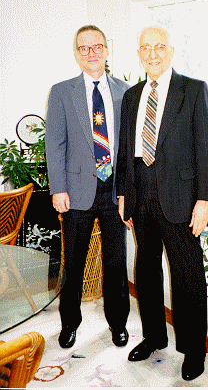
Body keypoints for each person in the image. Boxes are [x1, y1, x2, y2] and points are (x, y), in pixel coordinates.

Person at [116, 26, 208, 381]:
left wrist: (204, 200)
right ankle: (154, 336)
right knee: (145, 272)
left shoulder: (193, 90)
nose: (153, 54)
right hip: (140, 199)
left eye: (159, 47)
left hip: (182, 200)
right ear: (139, 54)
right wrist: (123, 194)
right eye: (146, 48)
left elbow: (206, 148)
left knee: (188, 276)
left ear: (171, 51)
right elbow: (125, 151)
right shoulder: (131, 96)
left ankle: (193, 350)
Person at [46, 25, 130, 349]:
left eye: (97, 46)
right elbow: (55, 144)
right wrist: (58, 189)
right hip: (76, 192)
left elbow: (129, 146)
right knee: (74, 265)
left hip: (114, 194)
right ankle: (70, 323)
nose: (91, 52)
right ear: (77, 53)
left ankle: (118, 323)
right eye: (84, 48)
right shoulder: (61, 92)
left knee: (115, 264)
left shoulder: (126, 91)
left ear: (107, 50)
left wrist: (128, 192)